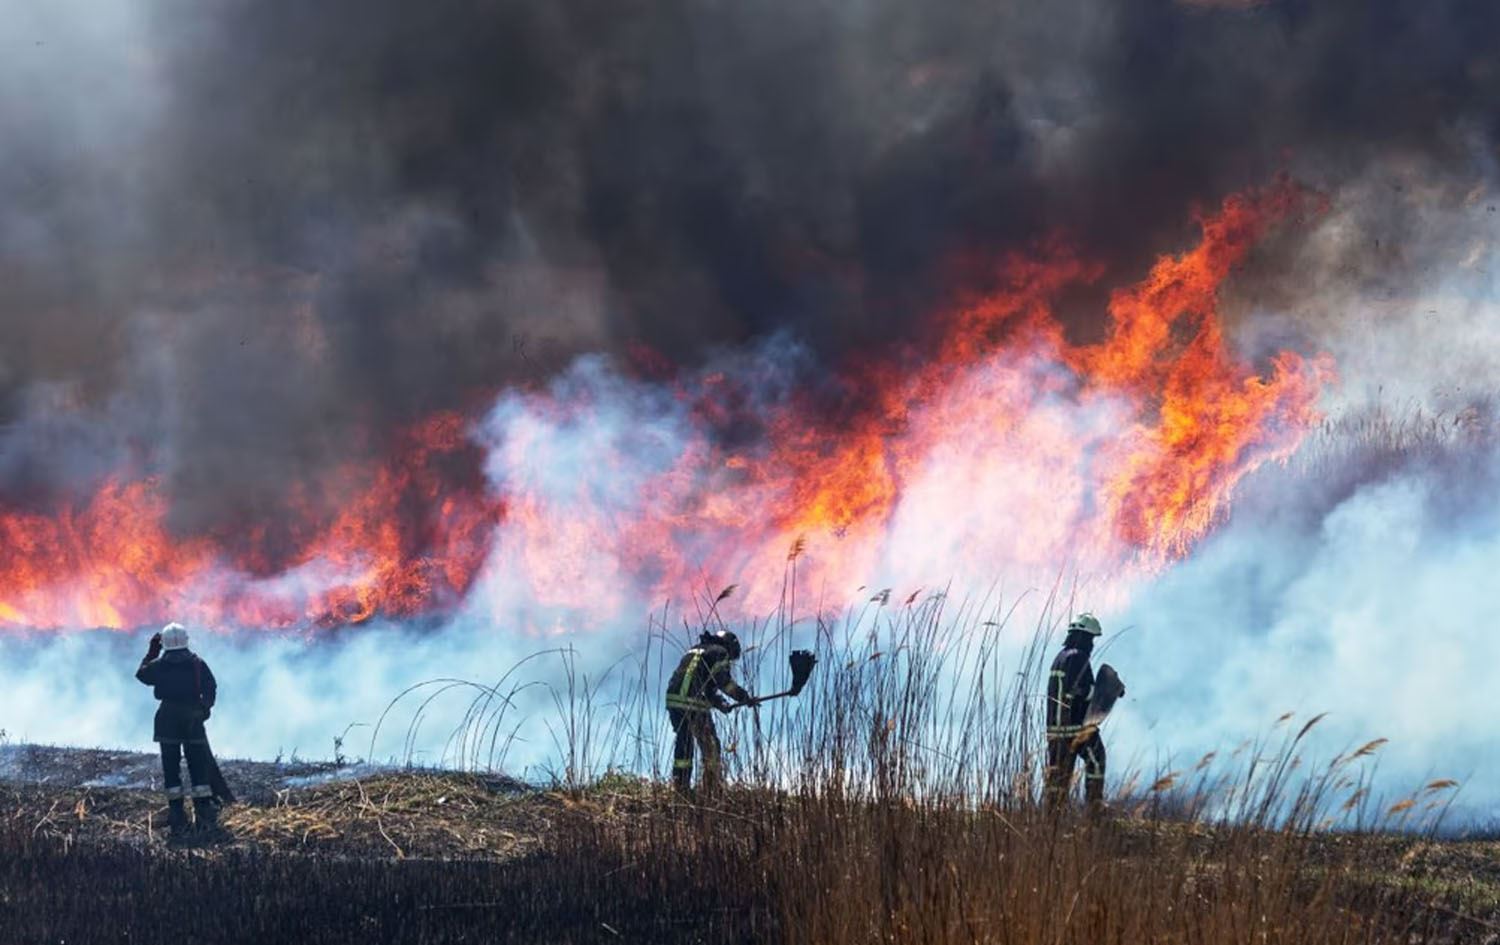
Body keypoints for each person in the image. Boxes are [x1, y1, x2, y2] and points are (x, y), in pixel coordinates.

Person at [136, 622, 219, 836]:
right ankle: (203, 813)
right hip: (192, 718)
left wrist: (152, 651)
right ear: (186, 641)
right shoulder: (197, 664)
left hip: (167, 719)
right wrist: (204, 708)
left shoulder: (159, 665)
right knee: (197, 764)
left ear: (164, 643)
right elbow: (211, 687)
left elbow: (141, 675)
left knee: (170, 767)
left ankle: (177, 814)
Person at [664, 630, 756, 795]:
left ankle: (680, 787)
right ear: (729, 646)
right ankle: (712, 788)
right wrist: (743, 697)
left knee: (684, 742)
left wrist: (720, 703)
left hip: (673, 699)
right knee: (711, 745)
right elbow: (724, 683)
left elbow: (708, 686)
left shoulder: (697, 649)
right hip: (692, 702)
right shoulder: (720, 653)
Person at [1045, 612, 1110, 812]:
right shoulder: (1078, 657)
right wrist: (1107, 689)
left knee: (1058, 779)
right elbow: (1083, 690)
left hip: (1055, 730)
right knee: (1096, 760)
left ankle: (1051, 819)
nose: (1091, 643)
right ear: (1083, 637)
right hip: (1075, 728)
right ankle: (1094, 810)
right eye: (1090, 639)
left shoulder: (1060, 657)